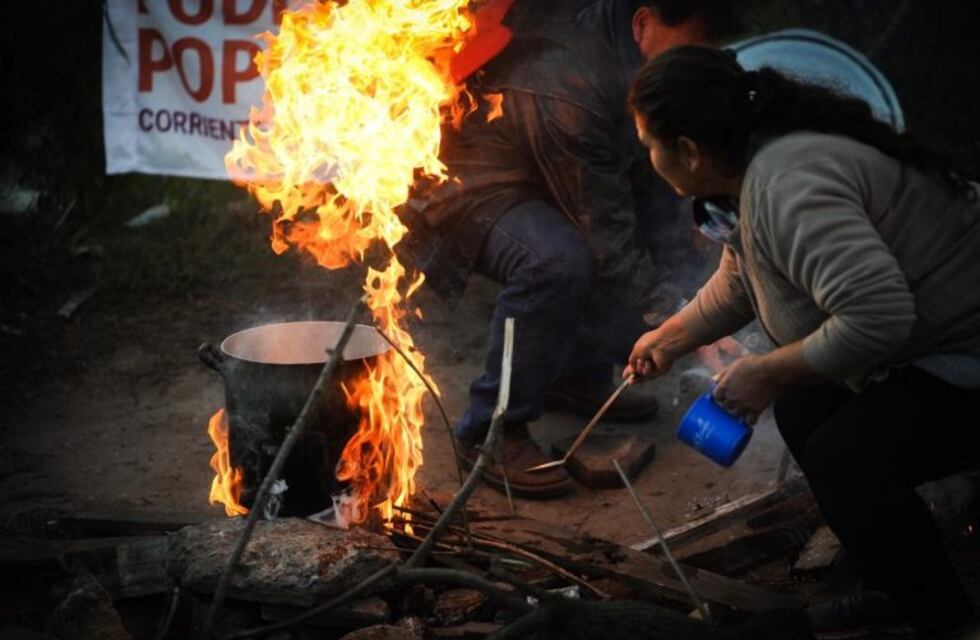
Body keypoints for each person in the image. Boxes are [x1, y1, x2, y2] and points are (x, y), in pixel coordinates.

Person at [625, 45, 980, 638]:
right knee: (806, 409)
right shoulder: (754, 171)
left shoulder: (787, 184)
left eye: (650, 145)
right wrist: (673, 335)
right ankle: (895, 581)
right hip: (930, 347)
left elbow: (877, 317)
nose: (650, 158)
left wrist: (767, 371)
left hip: (966, 356)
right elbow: (745, 275)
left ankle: (947, 622)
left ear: (686, 150)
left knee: (843, 457)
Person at [403, 0, 736, 499]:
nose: (694, 67)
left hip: (549, 173)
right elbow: (606, 236)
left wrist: (700, 280)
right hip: (463, 184)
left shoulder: (628, 45)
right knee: (554, 260)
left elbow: (636, 194)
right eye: (690, 50)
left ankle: (573, 374)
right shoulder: (566, 83)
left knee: (626, 233)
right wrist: (690, 323)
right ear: (644, 23)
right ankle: (492, 432)